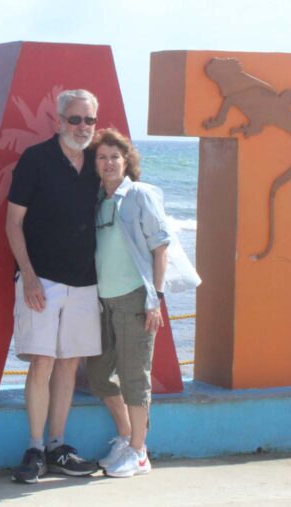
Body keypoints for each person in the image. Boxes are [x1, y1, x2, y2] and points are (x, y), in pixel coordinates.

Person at [5, 89, 102, 484]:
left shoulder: (101, 162)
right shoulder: (35, 160)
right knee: (42, 363)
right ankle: (34, 447)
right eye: (75, 119)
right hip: (41, 279)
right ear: (59, 121)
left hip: (85, 282)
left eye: (89, 121)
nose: (82, 127)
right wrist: (28, 276)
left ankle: (58, 445)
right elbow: (13, 223)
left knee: (68, 364)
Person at [85, 128, 169, 478]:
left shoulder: (139, 195)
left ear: (126, 161)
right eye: (102, 157)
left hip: (136, 299)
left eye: (115, 157)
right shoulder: (97, 200)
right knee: (99, 374)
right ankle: (126, 436)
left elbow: (160, 246)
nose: (108, 163)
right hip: (103, 301)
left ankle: (139, 452)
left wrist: (156, 300)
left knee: (135, 377)